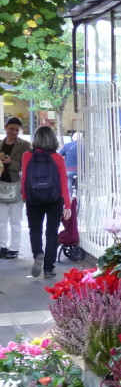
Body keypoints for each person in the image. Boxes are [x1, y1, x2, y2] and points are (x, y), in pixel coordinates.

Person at [21, 126, 71, 279]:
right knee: (51, 232)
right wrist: (67, 205)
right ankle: (49, 269)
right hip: (54, 199)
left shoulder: (27, 156)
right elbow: (63, 183)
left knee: (35, 229)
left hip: (33, 198)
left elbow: (24, 178)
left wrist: (25, 196)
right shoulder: (58, 158)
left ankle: (38, 254)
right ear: (52, 139)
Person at [0, 117, 31, 259]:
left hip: (16, 185)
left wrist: (10, 162)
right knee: (1, 220)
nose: (13, 132)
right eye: (11, 129)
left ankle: (14, 248)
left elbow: (28, 165)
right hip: (1, 185)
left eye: (17, 130)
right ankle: (2, 246)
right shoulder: (0, 144)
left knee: (15, 220)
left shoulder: (25, 145)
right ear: (5, 127)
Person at [58, 131, 79, 195]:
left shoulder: (67, 145)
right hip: (80, 171)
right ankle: (78, 198)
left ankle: (69, 197)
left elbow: (59, 155)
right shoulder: (85, 146)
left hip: (69, 170)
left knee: (68, 184)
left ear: (73, 138)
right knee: (80, 185)